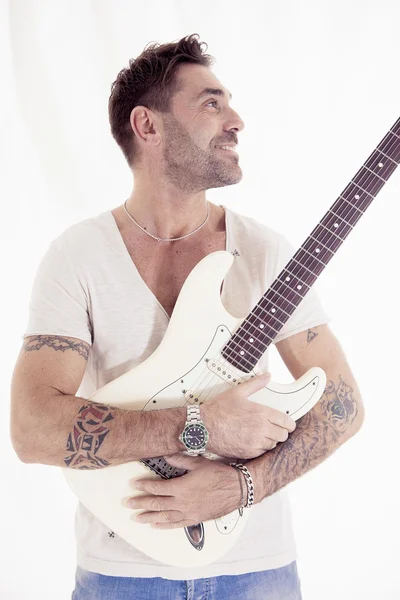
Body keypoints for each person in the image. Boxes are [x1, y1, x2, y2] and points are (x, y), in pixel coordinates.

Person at [10, 33, 364, 600]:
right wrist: (199, 423)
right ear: (147, 125)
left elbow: (343, 406)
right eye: (211, 103)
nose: (237, 120)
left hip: (259, 570)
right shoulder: (77, 256)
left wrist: (241, 487)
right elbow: (31, 429)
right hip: (120, 572)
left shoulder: (267, 252)